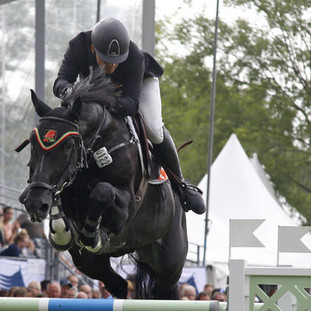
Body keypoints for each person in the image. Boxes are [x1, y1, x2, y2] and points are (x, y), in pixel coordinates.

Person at [53, 17, 205, 215]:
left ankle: (181, 185)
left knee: (154, 129)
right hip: (94, 90)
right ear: (93, 50)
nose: (112, 67)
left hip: (139, 85)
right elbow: (60, 82)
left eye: (117, 62)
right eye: (106, 61)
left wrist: (105, 101)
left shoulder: (134, 57)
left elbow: (131, 104)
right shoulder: (78, 46)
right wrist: (70, 91)